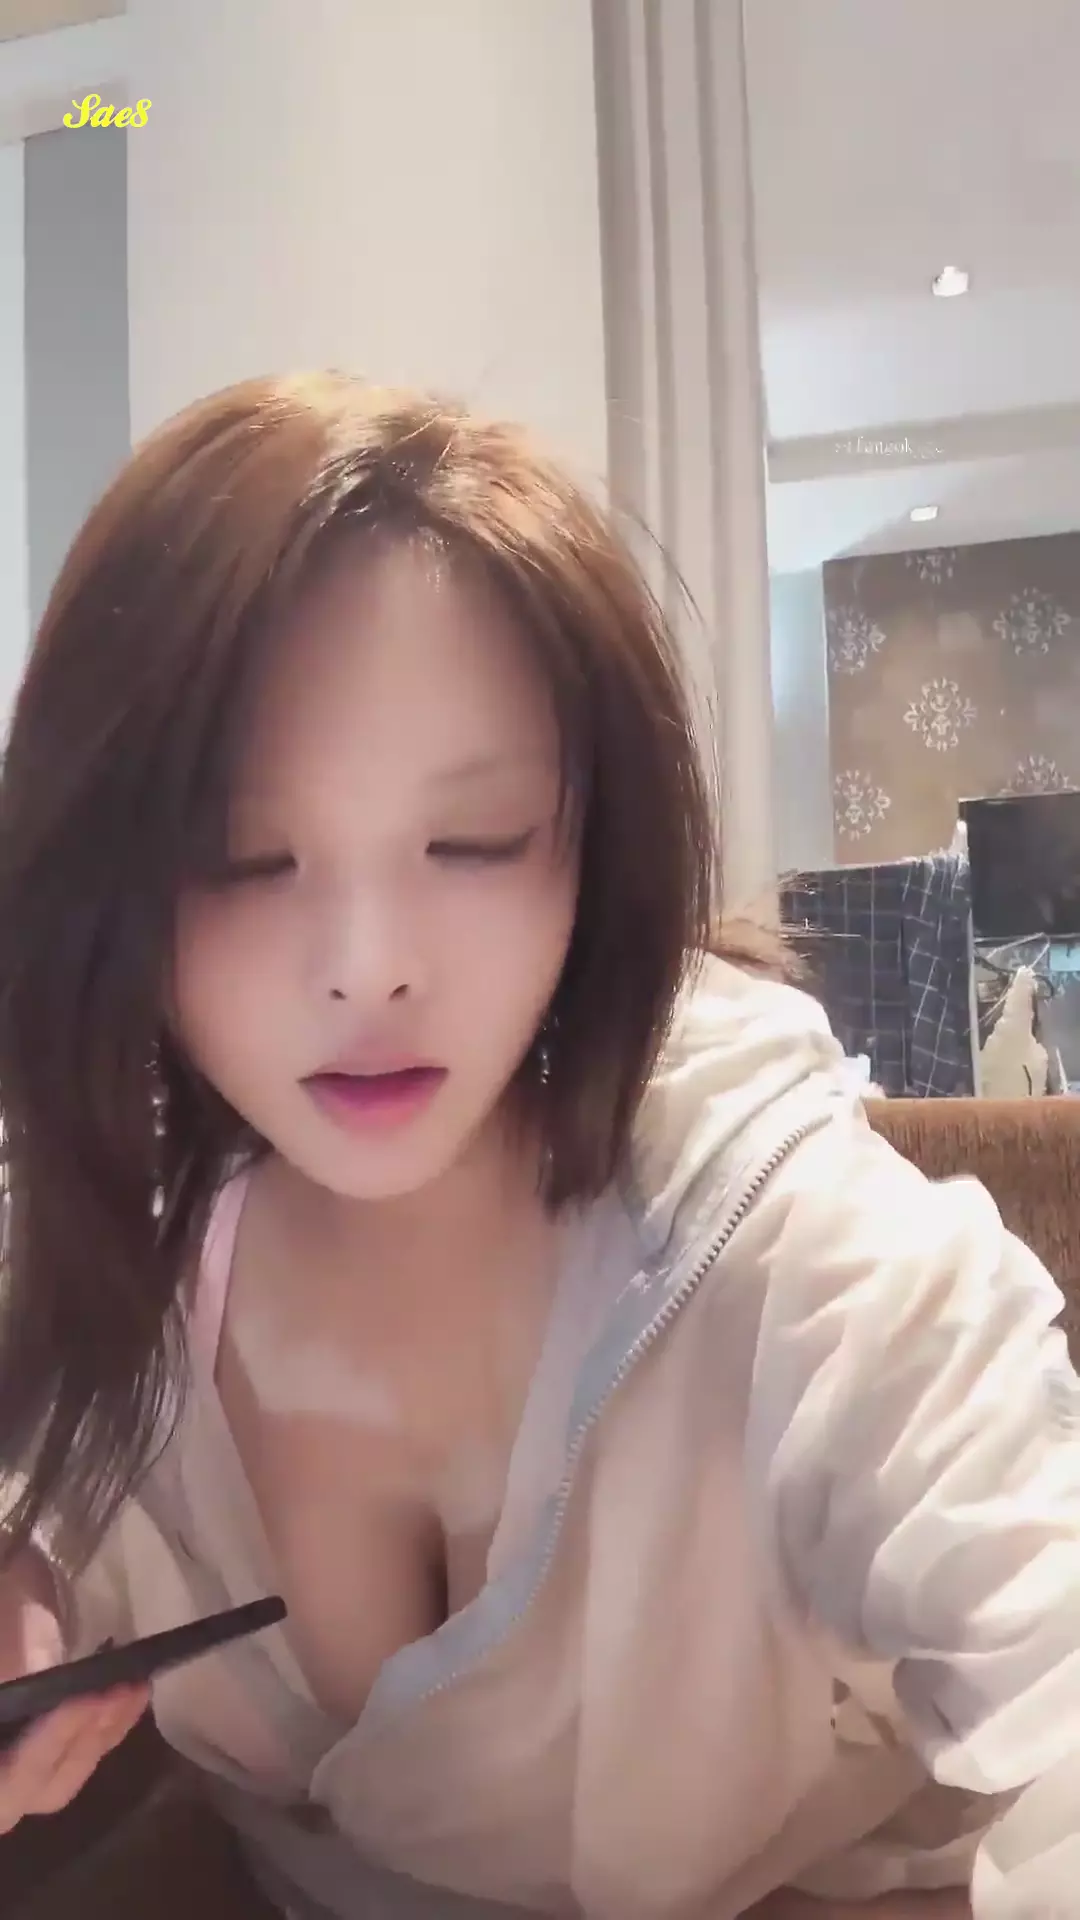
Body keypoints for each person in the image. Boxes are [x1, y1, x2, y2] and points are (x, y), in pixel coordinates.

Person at [0, 374, 1076, 1920]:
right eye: (245, 857)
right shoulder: (116, 1237)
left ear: (592, 849)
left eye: (474, 841)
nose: (369, 967)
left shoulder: (787, 1249)